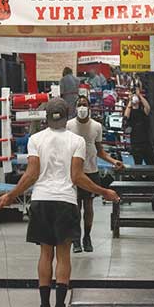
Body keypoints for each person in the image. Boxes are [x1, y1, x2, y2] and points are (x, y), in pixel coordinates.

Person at [0, 98, 119, 307]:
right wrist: (103, 191)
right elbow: (77, 177)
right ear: (66, 116)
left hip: (41, 201)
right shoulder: (77, 140)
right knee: (63, 256)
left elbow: (31, 174)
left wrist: (11, 196)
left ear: (46, 117)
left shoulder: (35, 139)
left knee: (45, 254)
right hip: (65, 201)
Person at [67, 96, 124, 253]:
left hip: (92, 170)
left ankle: (87, 237)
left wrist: (113, 161)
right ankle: (76, 239)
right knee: (75, 207)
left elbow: (100, 151)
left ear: (89, 107)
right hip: (74, 171)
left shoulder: (97, 126)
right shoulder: (69, 125)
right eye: (79, 105)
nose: (82, 107)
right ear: (75, 107)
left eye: (85, 105)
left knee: (89, 205)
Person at [124, 89, 154, 165]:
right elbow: (126, 117)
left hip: (146, 142)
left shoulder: (142, 111)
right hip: (135, 143)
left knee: (151, 163)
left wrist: (139, 95)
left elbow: (148, 108)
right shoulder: (129, 112)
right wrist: (130, 101)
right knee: (138, 163)